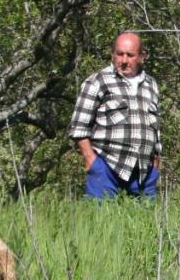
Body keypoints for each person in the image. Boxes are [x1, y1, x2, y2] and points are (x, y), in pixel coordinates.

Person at [69, 31, 162, 198]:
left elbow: (155, 127)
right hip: (106, 168)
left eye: (130, 55)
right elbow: (78, 126)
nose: (124, 60)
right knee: (100, 222)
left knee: (147, 222)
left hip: (143, 172)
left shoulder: (151, 85)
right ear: (112, 55)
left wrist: (156, 160)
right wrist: (91, 160)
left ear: (142, 56)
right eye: (119, 54)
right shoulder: (97, 81)